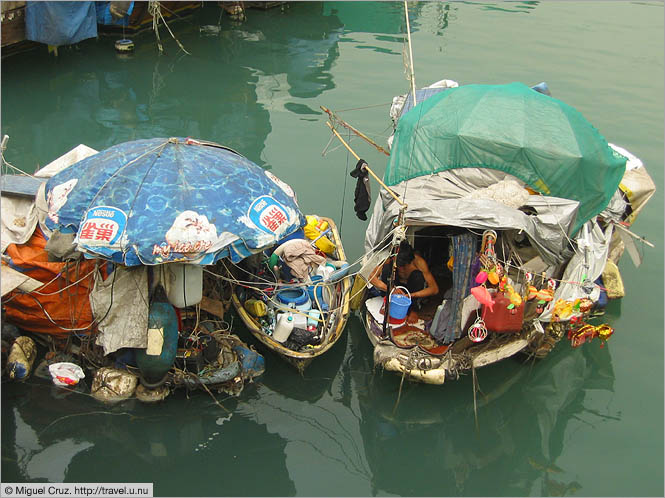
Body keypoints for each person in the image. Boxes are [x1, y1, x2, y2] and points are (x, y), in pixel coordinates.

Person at [369, 240, 439, 323]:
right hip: (395, 287)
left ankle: (414, 309)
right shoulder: (390, 259)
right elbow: (371, 277)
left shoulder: (419, 262)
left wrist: (410, 295)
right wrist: (391, 289)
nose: (401, 269)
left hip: (412, 289)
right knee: (387, 269)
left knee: (417, 276)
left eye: (404, 266)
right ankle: (387, 302)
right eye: (399, 266)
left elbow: (434, 289)